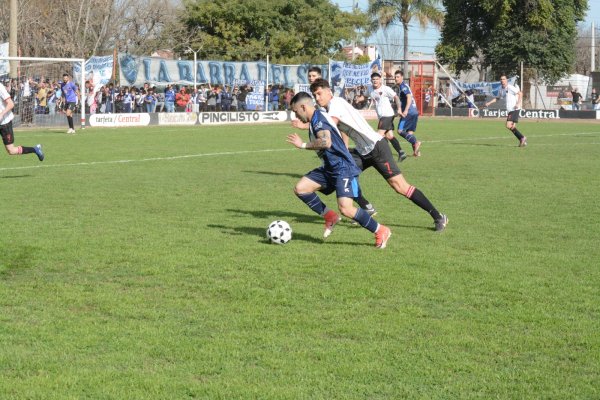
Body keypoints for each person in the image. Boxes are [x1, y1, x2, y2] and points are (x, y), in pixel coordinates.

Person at [310, 78, 448, 232]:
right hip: (363, 151)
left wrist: (309, 127)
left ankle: (438, 216)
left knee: (400, 186)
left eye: (319, 93)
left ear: (329, 91)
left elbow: (331, 125)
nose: (317, 98)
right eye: (314, 95)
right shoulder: (330, 108)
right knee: (342, 174)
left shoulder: (335, 104)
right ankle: (365, 208)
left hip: (376, 148)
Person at [286, 92, 392, 248]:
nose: (295, 115)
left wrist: (302, 145)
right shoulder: (316, 119)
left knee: (346, 208)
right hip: (330, 167)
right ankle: (330, 216)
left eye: (296, 111)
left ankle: (381, 230)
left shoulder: (319, 120)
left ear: (303, 106)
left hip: (343, 167)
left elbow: (326, 142)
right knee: (301, 189)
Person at [293, 66, 378, 216]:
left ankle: (377, 226)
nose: (311, 78)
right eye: (310, 76)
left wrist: (304, 144)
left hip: (342, 162)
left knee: (346, 204)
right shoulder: (317, 112)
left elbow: (332, 133)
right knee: (302, 188)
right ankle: (338, 215)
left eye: (314, 76)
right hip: (331, 164)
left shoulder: (328, 108)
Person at [0, 81, 44, 162]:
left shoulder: (0, 87)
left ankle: (35, 149)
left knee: (11, 150)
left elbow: (11, 104)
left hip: (4, 123)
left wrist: (1, 114)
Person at [369, 72, 408, 162]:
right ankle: (401, 152)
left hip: (387, 115)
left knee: (378, 135)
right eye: (373, 79)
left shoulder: (386, 89)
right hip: (382, 116)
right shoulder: (370, 89)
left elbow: (396, 97)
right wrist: (359, 99)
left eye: (377, 79)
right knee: (389, 136)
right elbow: (365, 96)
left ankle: (378, 155)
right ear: (371, 80)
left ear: (380, 80)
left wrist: (399, 108)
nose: (375, 81)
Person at [484, 75, 527, 147]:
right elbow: (497, 98)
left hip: (514, 108)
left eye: (503, 79)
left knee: (508, 125)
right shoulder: (500, 89)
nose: (502, 81)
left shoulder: (510, 87)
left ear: (506, 80)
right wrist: (489, 103)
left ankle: (522, 138)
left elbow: (520, 93)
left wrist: (518, 103)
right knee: (512, 126)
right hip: (510, 110)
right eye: (501, 79)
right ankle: (522, 140)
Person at [393, 70, 422, 157]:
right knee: (410, 132)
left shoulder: (403, 86)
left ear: (402, 77)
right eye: (395, 77)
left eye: (397, 77)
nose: (396, 78)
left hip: (409, 112)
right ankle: (416, 152)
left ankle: (415, 142)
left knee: (400, 131)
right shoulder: (404, 86)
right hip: (414, 112)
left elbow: (409, 97)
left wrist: (405, 110)